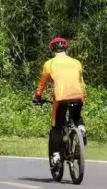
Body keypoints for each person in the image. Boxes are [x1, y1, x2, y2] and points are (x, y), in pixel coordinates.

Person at [34, 38, 86, 168]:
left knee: (56, 126)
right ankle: (81, 129)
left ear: (52, 49)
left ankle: (56, 155)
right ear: (66, 48)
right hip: (77, 96)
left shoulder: (49, 64)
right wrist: (82, 97)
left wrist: (37, 97)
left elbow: (42, 83)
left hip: (61, 98)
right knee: (77, 117)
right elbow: (80, 81)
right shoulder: (76, 62)